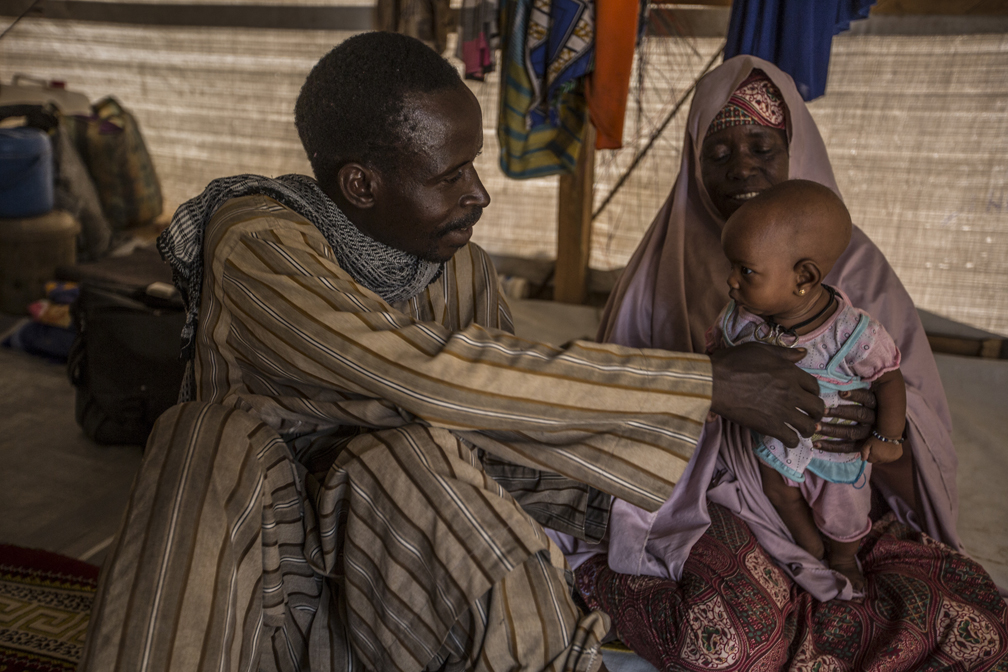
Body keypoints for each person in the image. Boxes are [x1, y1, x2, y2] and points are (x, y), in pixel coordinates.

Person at [78, 34, 845, 672]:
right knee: (205, 436)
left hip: (389, 590)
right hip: (256, 591)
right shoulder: (259, 241)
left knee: (418, 457)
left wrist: (655, 503)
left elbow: (498, 419)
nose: (480, 193)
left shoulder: (459, 263)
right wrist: (703, 384)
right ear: (361, 184)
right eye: (451, 175)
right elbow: (426, 371)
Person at [570, 57, 1008, 670]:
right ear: (693, 164)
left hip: (843, 494)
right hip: (708, 501)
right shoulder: (660, 265)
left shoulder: (857, 270)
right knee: (726, 638)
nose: (741, 166)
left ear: (793, 151)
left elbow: (913, 409)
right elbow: (612, 418)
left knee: (976, 620)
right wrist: (716, 397)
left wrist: (880, 428)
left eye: (761, 146)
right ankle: (605, 581)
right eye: (717, 152)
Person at [711, 179, 907, 591]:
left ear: (804, 276)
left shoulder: (852, 334)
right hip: (779, 445)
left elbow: (888, 379)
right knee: (779, 493)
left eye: (745, 271)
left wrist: (888, 434)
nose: (731, 281)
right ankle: (810, 551)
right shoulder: (740, 320)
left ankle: (843, 558)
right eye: (733, 267)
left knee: (845, 515)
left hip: (837, 454)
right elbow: (712, 360)